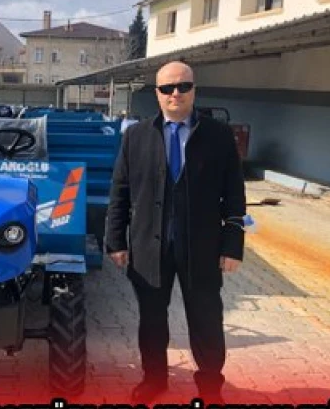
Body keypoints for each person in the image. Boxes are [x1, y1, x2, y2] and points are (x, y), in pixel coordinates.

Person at [104, 61, 246, 404]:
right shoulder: (136, 136)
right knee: (152, 320)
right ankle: (154, 380)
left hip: (201, 247)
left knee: (206, 319)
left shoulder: (218, 136)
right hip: (149, 247)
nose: (175, 94)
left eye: (183, 86)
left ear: (194, 90)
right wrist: (115, 241)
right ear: (157, 93)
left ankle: (210, 388)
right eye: (167, 88)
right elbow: (120, 192)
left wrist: (233, 245)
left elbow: (234, 193)